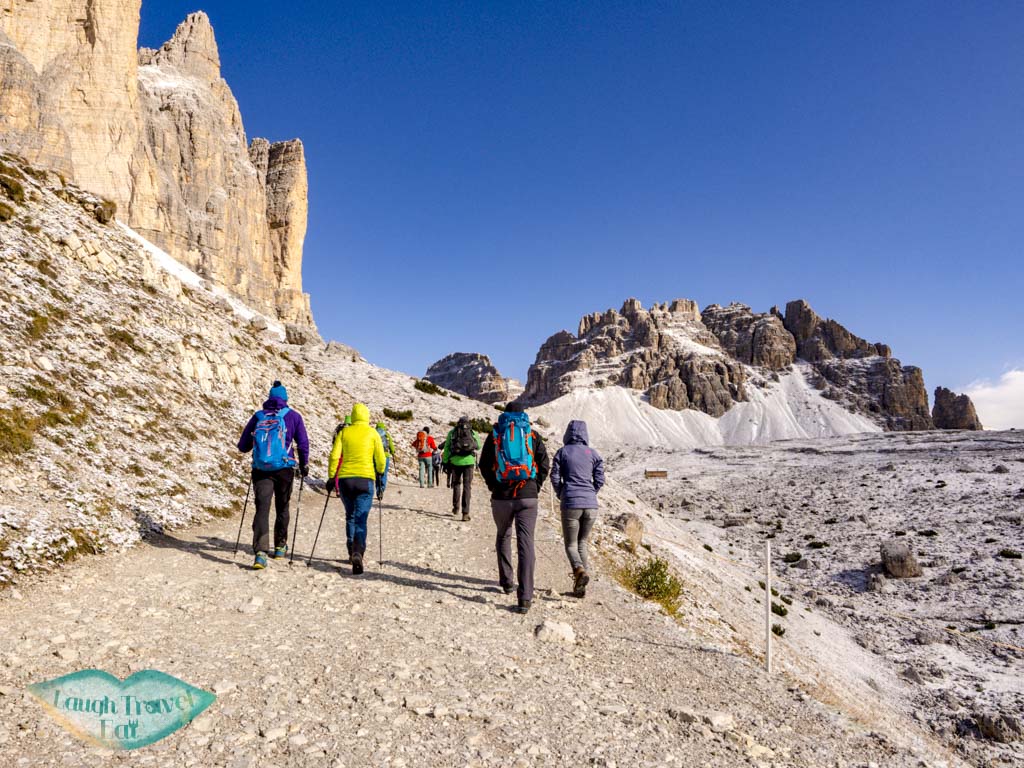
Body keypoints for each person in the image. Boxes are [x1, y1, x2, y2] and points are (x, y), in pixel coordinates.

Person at [479, 409, 550, 614]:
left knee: (503, 535)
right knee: (526, 542)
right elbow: (544, 463)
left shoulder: (495, 434)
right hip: (527, 496)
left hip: (501, 496)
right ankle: (525, 597)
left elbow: (484, 464)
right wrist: (535, 485)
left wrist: (494, 486)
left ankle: (507, 582)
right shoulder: (531, 434)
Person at [237, 381, 309, 569]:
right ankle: (280, 546)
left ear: (269, 398)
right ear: (285, 399)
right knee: (282, 506)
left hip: (261, 469)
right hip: (285, 468)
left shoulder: (258, 416)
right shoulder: (293, 416)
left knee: (262, 508)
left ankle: (260, 552)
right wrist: (304, 464)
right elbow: (302, 443)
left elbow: (243, 446)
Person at [327, 403, 386, 575]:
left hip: (345, 479)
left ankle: (350, 550)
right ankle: (358, 551)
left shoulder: (345, 432)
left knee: (350, 515)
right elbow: (380, 459)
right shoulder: (372, 433)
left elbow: (334, 455)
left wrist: (332, 476)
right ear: (367, 416)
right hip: (365, 479)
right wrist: (380, 472)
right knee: (361, 518)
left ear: (353, 416)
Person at [550, 420, 605, 597]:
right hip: (591, 505)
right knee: (582, 543)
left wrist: (561, 493)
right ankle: (580, 587)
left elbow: (555, 477)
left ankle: (579, 571)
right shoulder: (593, 453)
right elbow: (600, 479)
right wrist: (591, 492)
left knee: (571, 544)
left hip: (571, 503)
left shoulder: (562, 452)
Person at [444, 416, 482, 521]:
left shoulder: (452, 432)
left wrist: (445, 461)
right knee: (467, 486)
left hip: (455, 462)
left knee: (456, 484)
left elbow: (447, 447)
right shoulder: (472, 432)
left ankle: (456, 508)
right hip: (469, 462)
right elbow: (478, 446)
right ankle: (465, 513)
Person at [374, 421, 396, 499]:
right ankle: (382, 489)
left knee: (377, 473)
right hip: (385, 456)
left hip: (376, 456)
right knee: (384, 473)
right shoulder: (386, 435)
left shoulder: (374, 434)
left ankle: (378, 490)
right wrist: (393, 452)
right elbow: (391, 445)